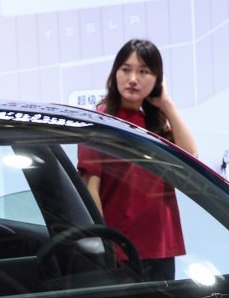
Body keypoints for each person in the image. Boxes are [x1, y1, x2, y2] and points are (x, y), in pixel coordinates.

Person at [79, 38, 197, 280]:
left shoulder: (155, 123)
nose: (133, 79)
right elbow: (91, 187)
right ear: (115, 74)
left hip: (161, 244)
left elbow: (191, 158)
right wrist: (105, 244)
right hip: (120, 247)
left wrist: (167, 104)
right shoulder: (100, 122)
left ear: (157, 80)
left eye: (143, 72)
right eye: (126, 69)